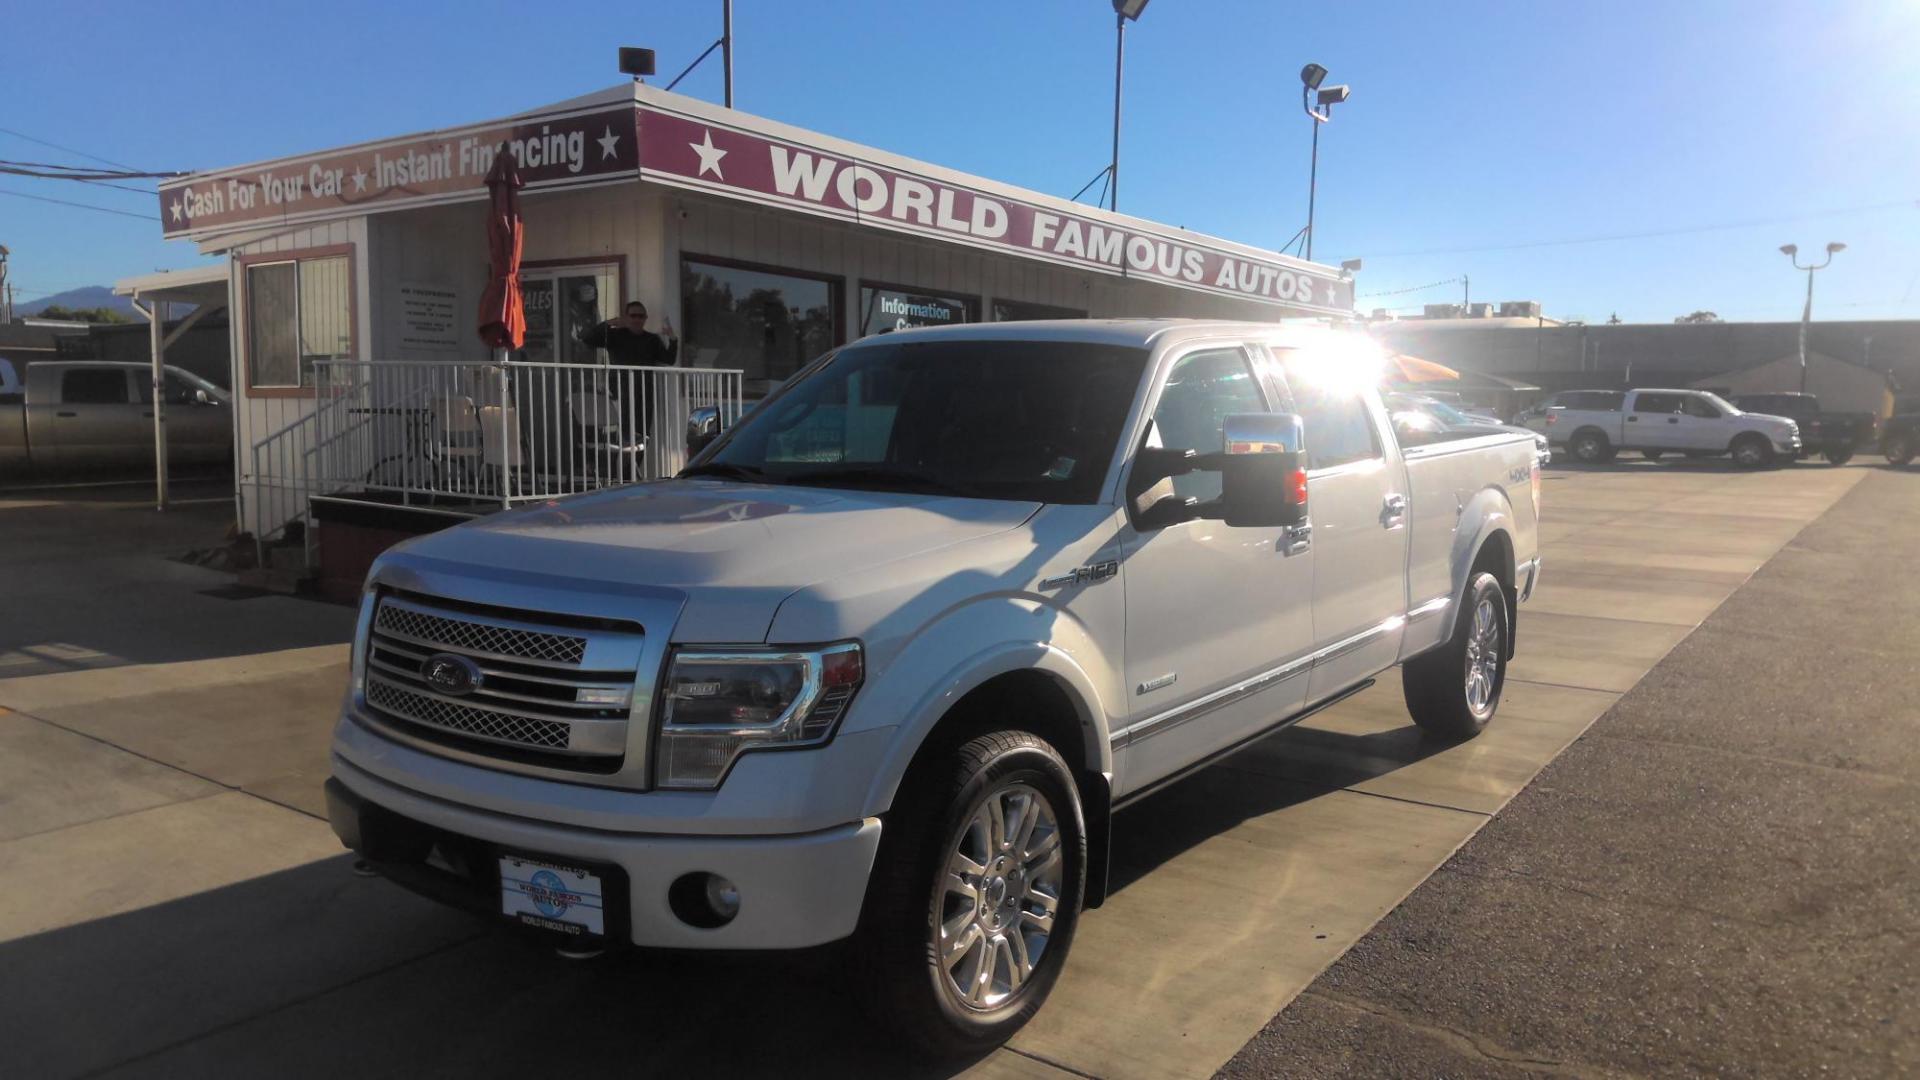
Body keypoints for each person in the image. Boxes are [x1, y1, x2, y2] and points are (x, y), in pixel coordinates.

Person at [580, 300, 679, 367]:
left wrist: (673, 338)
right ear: (626, 317)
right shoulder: (614, 336)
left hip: (644, 393)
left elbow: (669, 360)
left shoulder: (652, 339)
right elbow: (587, 339)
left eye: (640, 316)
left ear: (645, 318)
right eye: (633, 316)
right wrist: (610, 322)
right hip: (619, 392)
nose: (637, 319)